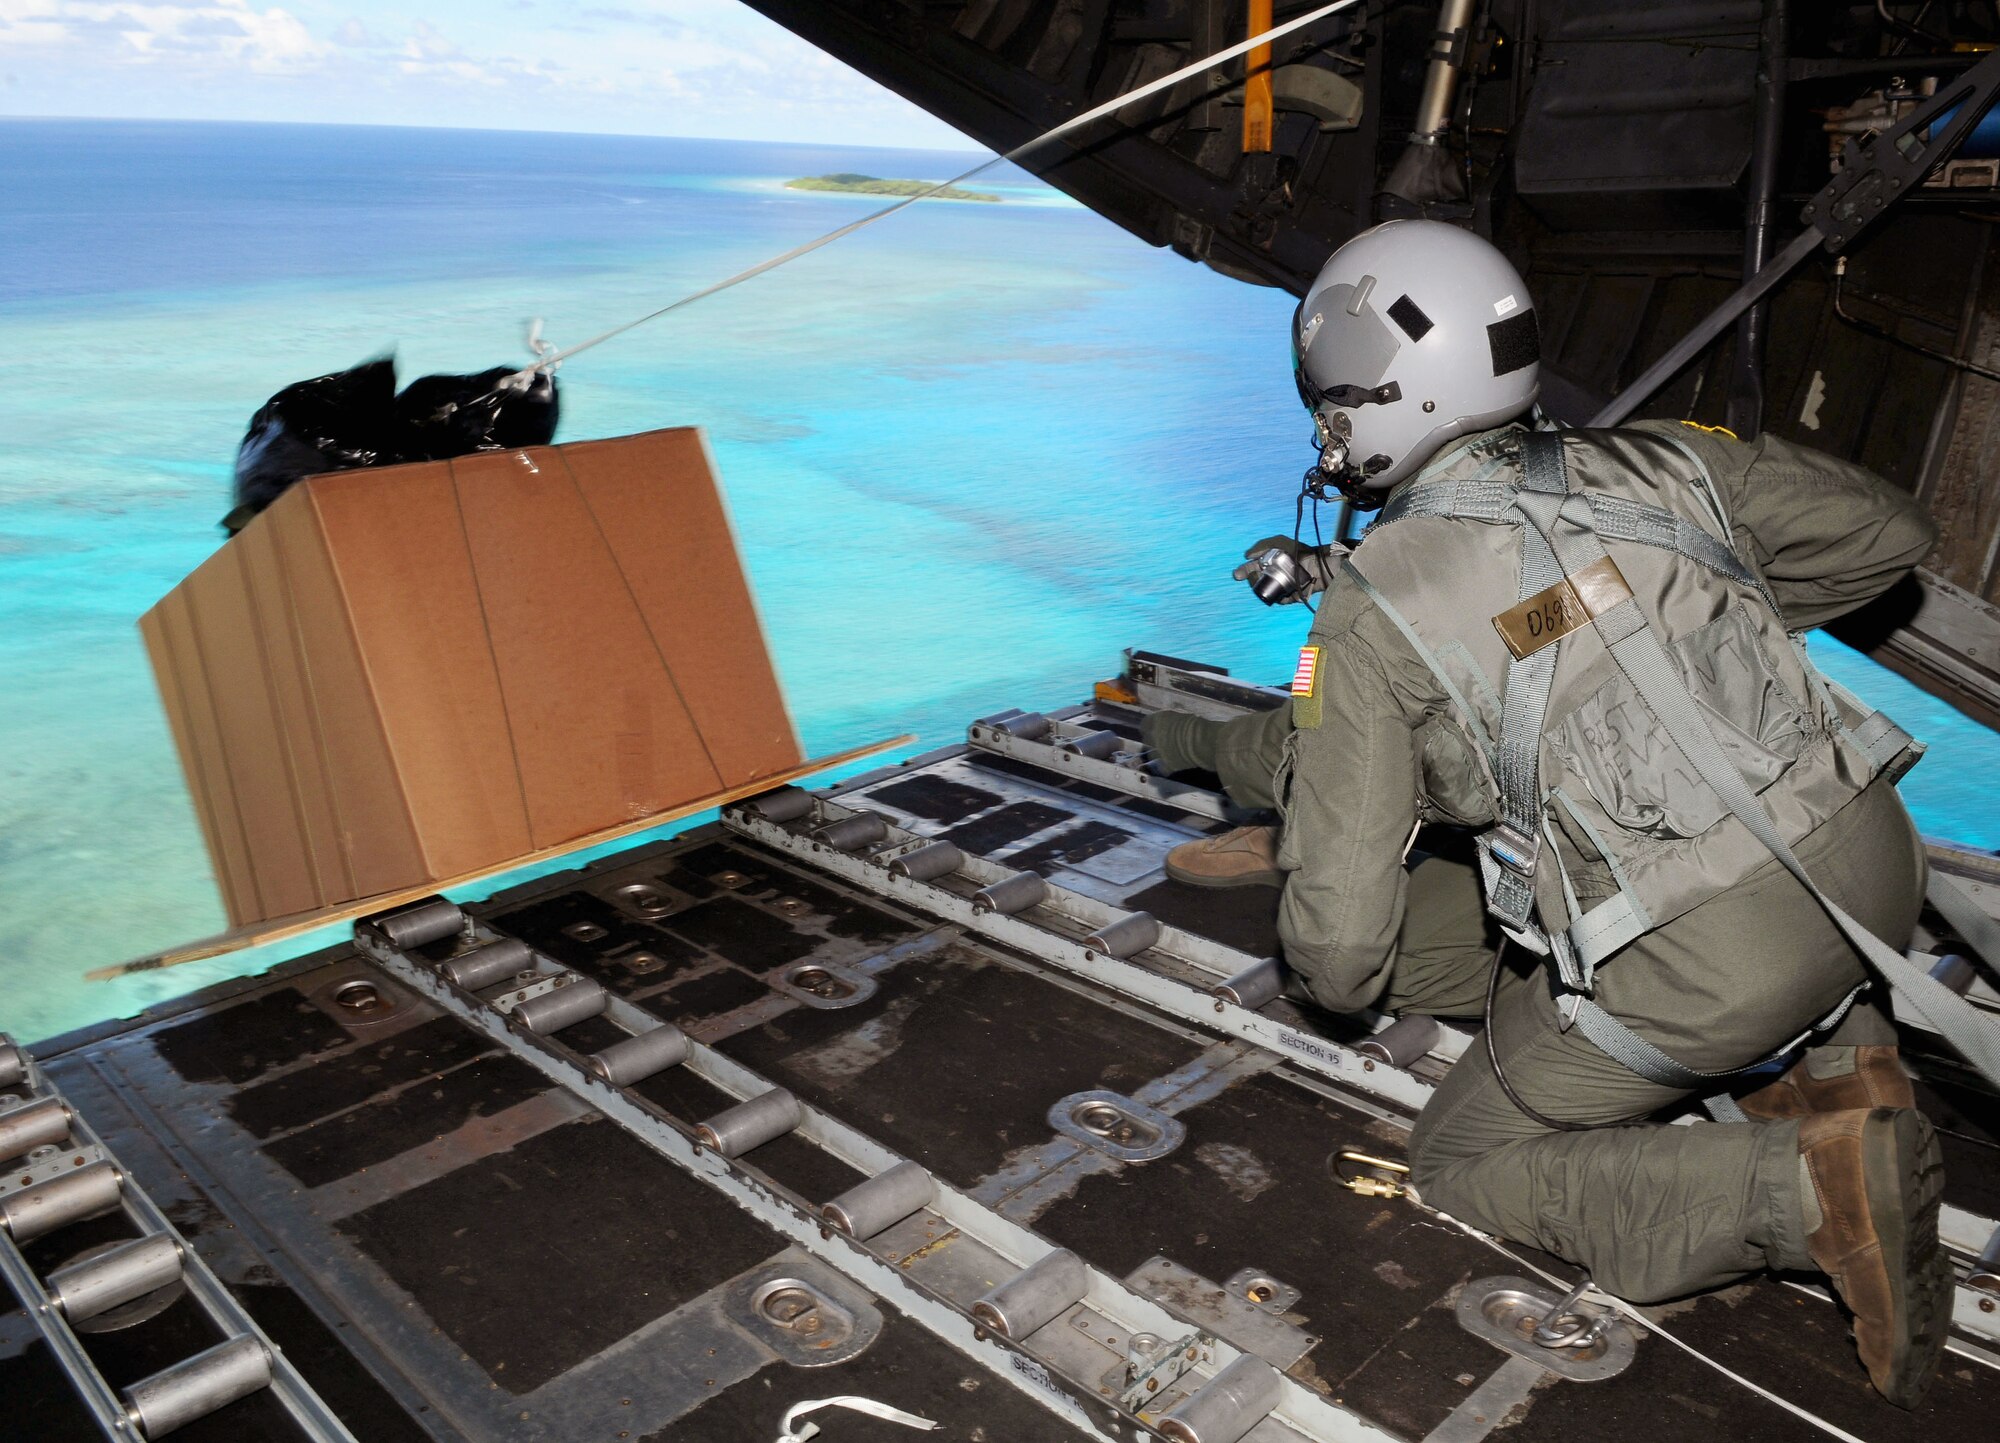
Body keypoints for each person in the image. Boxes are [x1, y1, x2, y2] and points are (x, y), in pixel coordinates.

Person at [1141, 220, 1948, 1407]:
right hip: (1876, 866)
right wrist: (1684, 618)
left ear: (1372, 401)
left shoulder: (1370, 615)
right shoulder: (1667, 464)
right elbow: (1892, 536)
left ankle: (1809, 1189)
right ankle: (1849, 1063)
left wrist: (1327, 973)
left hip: (1717, 960)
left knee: (1461, 1162)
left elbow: (1341, 948)